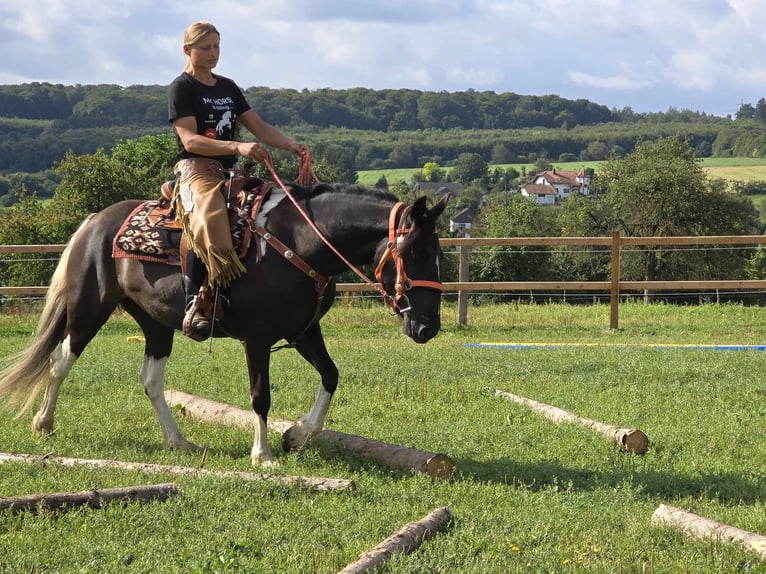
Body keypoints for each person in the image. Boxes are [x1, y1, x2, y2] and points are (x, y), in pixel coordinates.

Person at [168, 21, 308, 339]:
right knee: (207, 216)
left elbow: (258, 126)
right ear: (187, 50)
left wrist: (289, 144)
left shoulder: (227, 87)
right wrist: (237, 146)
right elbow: (190, 141)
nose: (213, 53)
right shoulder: (182, 88)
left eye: (216, 46)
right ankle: (195, 302)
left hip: (231, 172)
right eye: (205, 47)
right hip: (197, 170)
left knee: (273, 209)